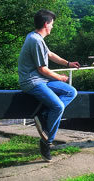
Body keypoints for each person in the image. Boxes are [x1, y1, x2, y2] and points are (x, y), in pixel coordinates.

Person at [18, 9, 80, 161]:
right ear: (46, 24)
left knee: (71, 92)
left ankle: (44, 116)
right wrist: (60, 77)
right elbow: (42, 69)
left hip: (41, 80)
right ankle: (47, 142)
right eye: (52, 24)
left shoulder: (36, 38)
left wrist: (68, 63)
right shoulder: (36, 40)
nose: (52, 26)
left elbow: (50, 54)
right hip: (32, 82)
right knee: (58, 106)